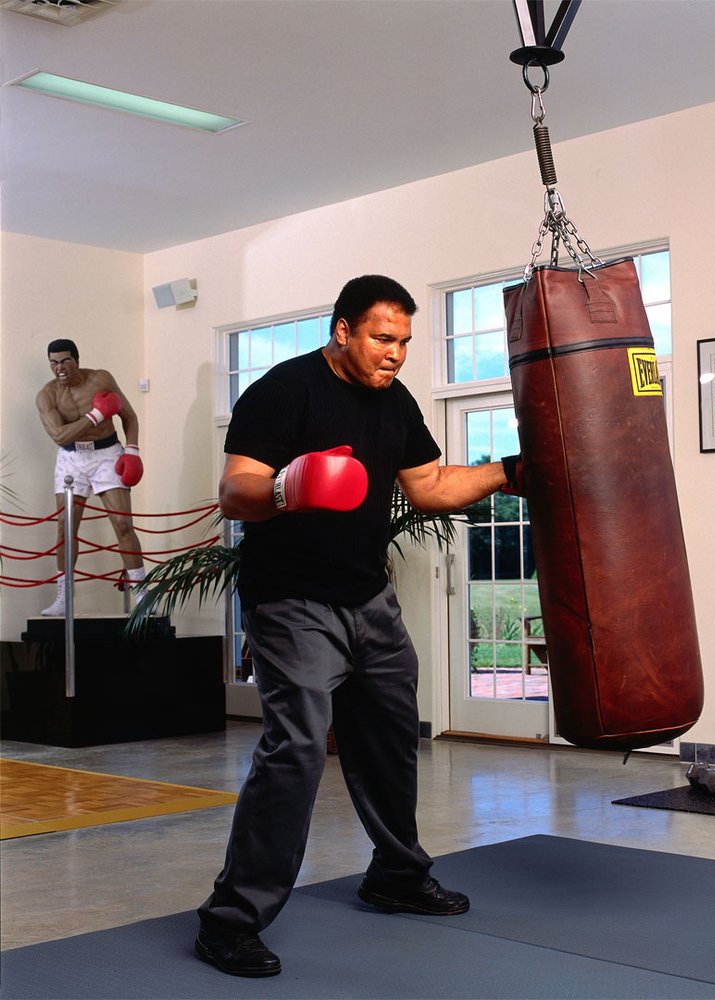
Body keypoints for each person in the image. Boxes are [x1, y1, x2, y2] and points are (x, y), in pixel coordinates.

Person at [195, 275, 519, 979]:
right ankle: (230, 920)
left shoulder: (394, 402)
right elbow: (234, 491)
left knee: (390, 735)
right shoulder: (284, 391)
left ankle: (396, 876)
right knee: (299, 748)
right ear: (343, 331)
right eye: (382, 338)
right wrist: (289, 486)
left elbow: (429, 486)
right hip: (292, 601)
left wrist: (508, 470)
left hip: (368, 598)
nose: (396, 354)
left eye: (404, 341)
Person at [35, 339, 145, 615]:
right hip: (70, 458)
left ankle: (143, 594)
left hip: (106, 452)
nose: (59, 368)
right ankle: (64, 598)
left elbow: (129, 416)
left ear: (76, 360)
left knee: (122, 524)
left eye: (64, 361)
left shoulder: (101, 379)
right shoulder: (46, 396)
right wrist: (96, 415)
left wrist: (132, 451)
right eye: (53, 363)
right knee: (65, 528)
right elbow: (59, 436)